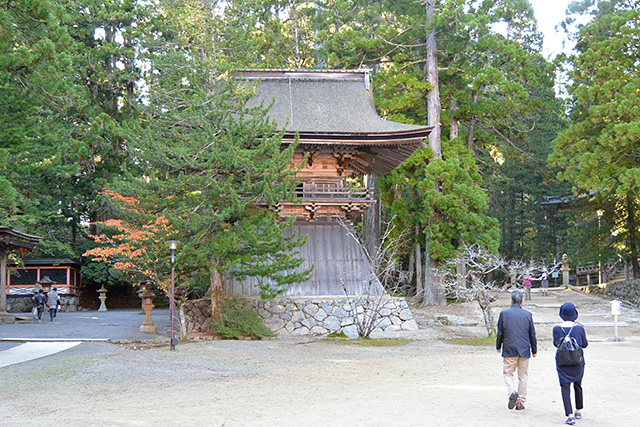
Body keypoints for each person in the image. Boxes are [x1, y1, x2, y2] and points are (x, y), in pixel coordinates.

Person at [496, 290, 537, 411]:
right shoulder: (528, 315)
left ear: (510, 301)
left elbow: (500, 333)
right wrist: (534, 350)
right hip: (524, 349)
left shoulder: (504, 314)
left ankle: (512, 391)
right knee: (523, 376)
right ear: (522, 302)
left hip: (509, 348)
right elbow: (532, 334)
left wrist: (498, 346)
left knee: (508, 373)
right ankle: (520, 402)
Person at [553, 303, 588, 425]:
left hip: (562, 361)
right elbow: (584, 344)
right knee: (578, 385)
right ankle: (578, 410)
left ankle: (570, 415)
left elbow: (555, 344)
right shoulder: (579, 328)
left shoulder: (557, 329)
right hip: (577, 361)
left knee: (565, 387)